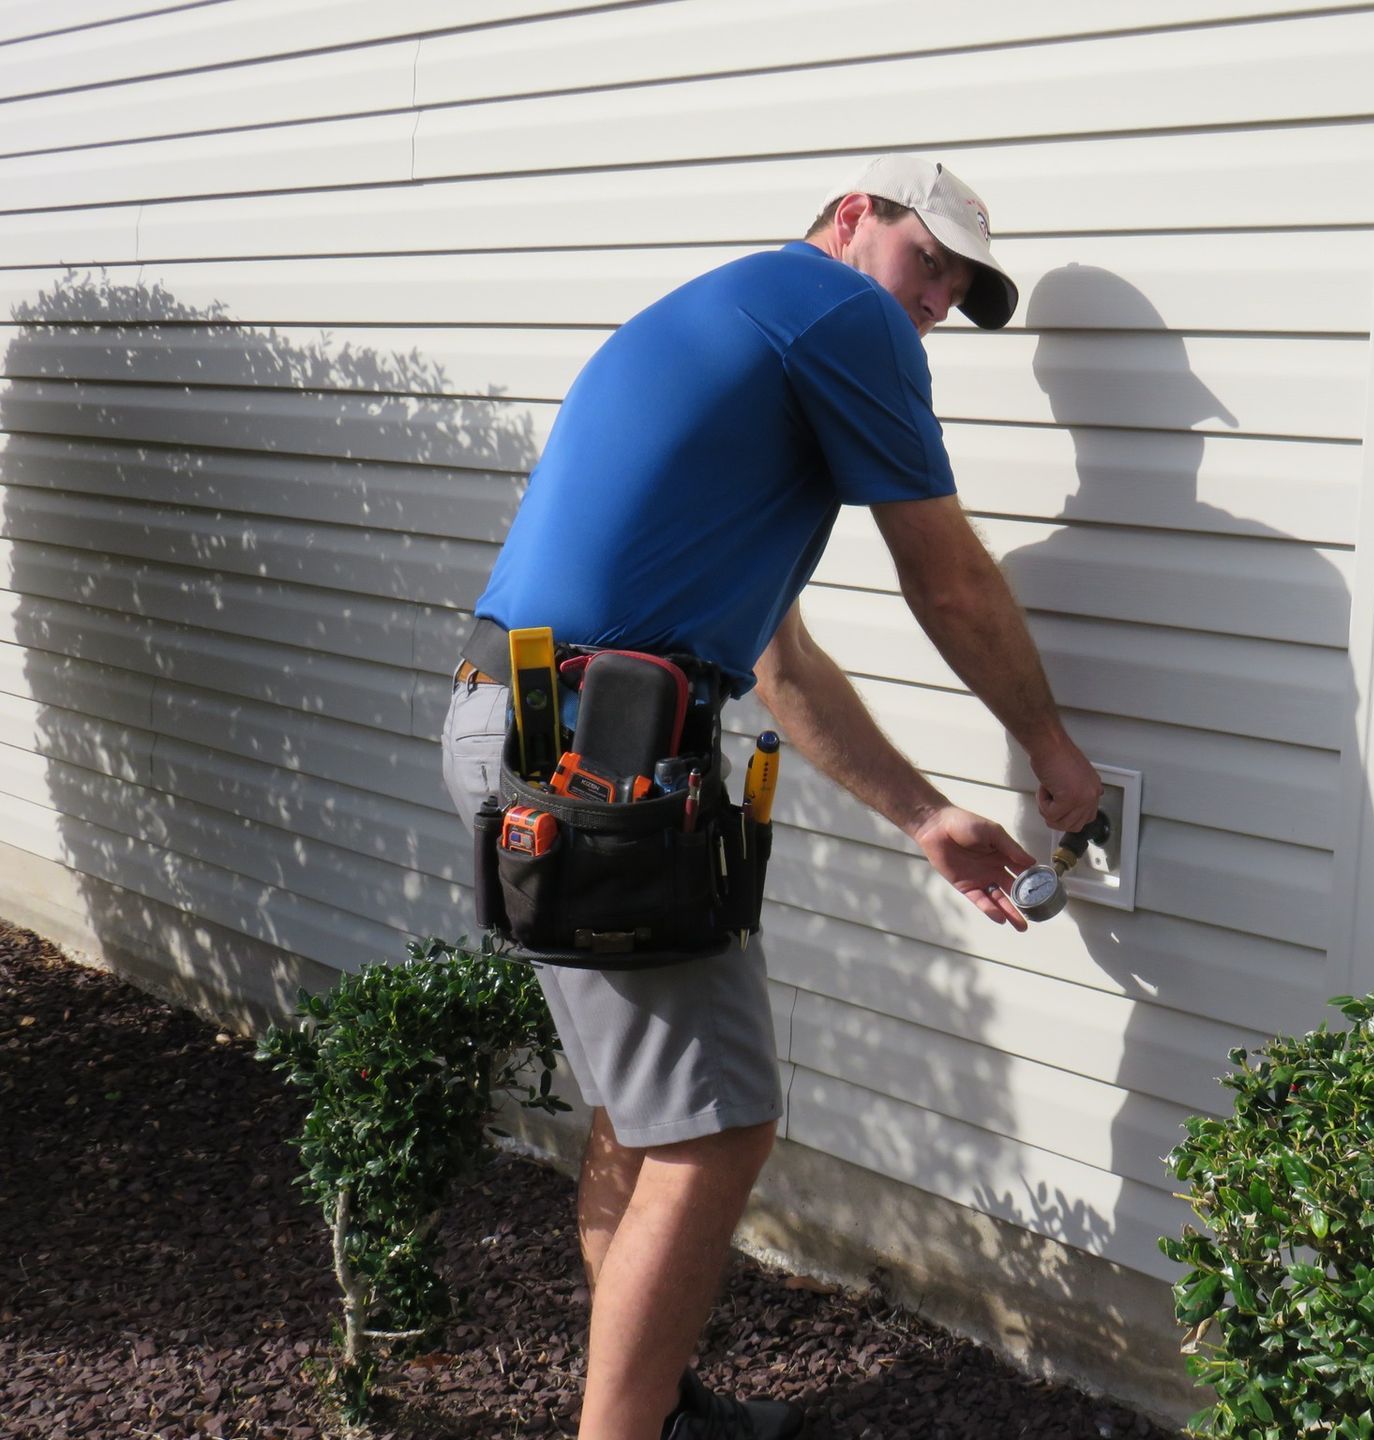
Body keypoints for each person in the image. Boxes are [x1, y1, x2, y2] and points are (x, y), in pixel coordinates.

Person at [440, 154, 1103, 1440]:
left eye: (961, 290)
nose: (935, 300)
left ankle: (660, 1411)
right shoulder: (833, 312)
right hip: (597, 746)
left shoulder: (738, 326)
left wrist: (924, 817)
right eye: (929, 262)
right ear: (854, 219)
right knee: (721, 1126)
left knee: (648, 1110)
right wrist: (1050, 750)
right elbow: (949, 577)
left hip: (534, 721)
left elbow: (780, 661)